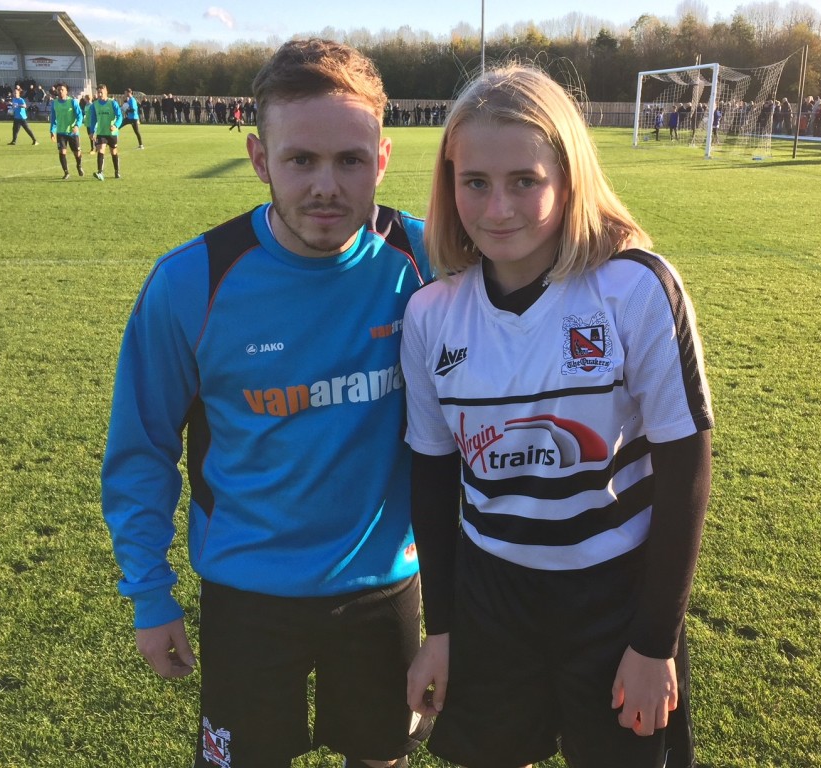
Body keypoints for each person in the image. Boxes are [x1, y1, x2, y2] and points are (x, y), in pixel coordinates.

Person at [102, 38, 431, 768]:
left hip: (384, 586)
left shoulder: (427, 262)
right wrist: (151, 596)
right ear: (259, 159)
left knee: (382, 758)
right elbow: (141, 449)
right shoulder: (192, 283)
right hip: (247, 593)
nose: (326, 186)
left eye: (350, 161)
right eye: (300, 160)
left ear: (381, 159)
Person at [402, 64, 713, 768]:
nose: (497, 208)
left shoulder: (634, 288)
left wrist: (654, 640)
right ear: (449, 186)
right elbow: (431, 477)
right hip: (491, 594)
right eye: (474, 182)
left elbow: (687, 467)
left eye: (525, 181)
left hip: (616, 595)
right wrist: (442, 629)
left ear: (567, 177)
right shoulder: (430, 315)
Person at [49, 82, 84, 180]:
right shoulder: (54, 103)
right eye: (58, 90)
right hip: (61, 132)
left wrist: (77, 125)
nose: (60, 91)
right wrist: (52, 130)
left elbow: (80, 116)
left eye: (62, 90)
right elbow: (53, 118)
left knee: (77, 153)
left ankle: (79, 166)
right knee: (62, 152)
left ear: (66, 91)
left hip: (73, 133)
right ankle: (66, 172)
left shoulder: (72, 102)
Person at [88, 83, 123, 180]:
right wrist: (92, 131)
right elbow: (93, 119)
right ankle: (100, 172)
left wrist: (115, 126)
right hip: (101, 132)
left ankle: (117, 171)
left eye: (101, 92)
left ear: (106, 92)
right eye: (98, 92)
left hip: (112, 133)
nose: (99, 94)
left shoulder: (112, 103)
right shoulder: (94, 105)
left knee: (114, 152)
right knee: (100, 150)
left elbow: (120, 116)